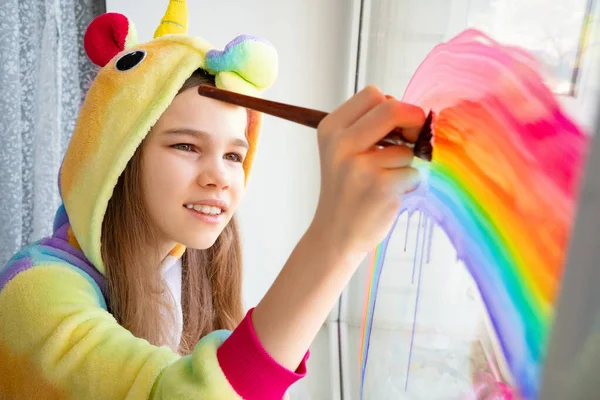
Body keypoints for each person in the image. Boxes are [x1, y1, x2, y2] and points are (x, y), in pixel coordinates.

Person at [0, 2, 423, 399]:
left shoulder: (186, 269)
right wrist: (336, 241)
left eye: (234, 155)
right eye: (186, 146)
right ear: (119, 157)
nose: (219, 176)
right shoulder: (33, 292)